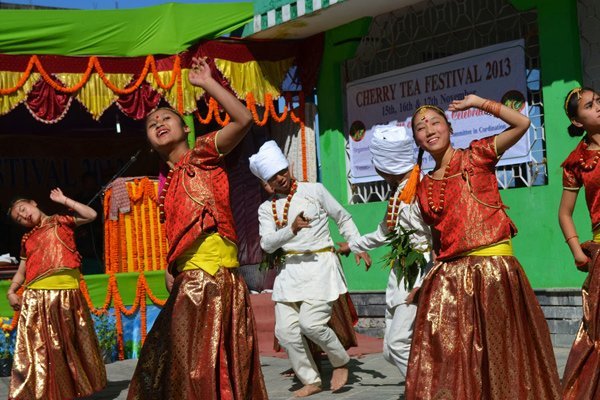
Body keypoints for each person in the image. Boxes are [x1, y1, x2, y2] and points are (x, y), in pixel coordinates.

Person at [126, 57, 267, 400]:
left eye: (166, 117)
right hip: (190, 281)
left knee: (200, 370)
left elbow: (244, 119)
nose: (158, 122)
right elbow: (180, 232)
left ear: (186, 128)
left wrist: (208, 84)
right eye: (151, 123)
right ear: (149, 142)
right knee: (171, 367)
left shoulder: (202, 155)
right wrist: (170, 266)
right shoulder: (168, 186)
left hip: (213, 281)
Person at [405, 96, 560, 399]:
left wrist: (479, 103)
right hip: (449, 282)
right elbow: (439, 246)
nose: (429, 130)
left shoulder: (477, 156)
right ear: (417, 141)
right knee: (453, 360)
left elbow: (523, 123)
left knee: (500, 354)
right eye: (421, 128)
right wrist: (425, 283)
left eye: (435, 122)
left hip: (493, 273)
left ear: (449, 127)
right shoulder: (423, 188)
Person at [249, 140, 370, 397]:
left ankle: (340, 361)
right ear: (266, 184)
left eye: (282, 171)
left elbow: (343, 217)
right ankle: (311, 379)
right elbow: (267, 244)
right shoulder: (266, 209)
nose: (280, 179)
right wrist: (291, 229)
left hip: (320, 267)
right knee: (286, 331)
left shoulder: (314, 190)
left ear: (289, 168)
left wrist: (357, 245)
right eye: (273, 177)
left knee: (312, 324)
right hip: (289, 272)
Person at [337, 123, 432, 380]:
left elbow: (437, 240)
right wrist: (352, 246)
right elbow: (385, 233)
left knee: (399, 345)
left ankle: (432, 390)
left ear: (383, 166)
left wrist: (424, 282)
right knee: (390, 351)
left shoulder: (420, 189)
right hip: (401, 274)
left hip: (419, 273)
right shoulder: (400, 190)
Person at [6, 188, 107, 399]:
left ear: (33, 202)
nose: (24, 216)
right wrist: (11, 291)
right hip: (38, 298)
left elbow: (91, 215)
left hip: (68, 296)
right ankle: (46, 393)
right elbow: (22, 271)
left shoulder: (61, 221)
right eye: (19, 218)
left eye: (23, 210)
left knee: (69, 346)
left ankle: (70, 390)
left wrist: (64, 200)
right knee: (44, 350)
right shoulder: (27, 239)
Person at [559, 87, 600, 399]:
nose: (597, 106)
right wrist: (576, 250)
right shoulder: (577, 160)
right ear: (577, 119)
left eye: (598, 100)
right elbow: (565, 213)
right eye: (589, 105)